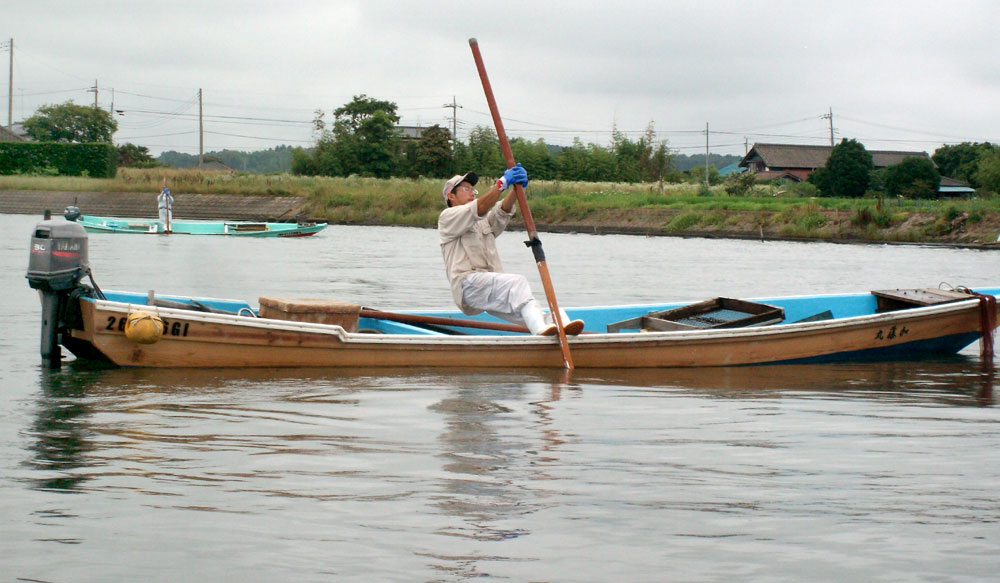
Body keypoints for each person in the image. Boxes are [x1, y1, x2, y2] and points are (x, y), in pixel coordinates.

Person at [438, 164, 584, 336]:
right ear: (450, 196)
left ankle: (558, 324)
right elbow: (481, 207)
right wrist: (502, 183)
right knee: (517, 283)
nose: (471, 192)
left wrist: (516, 188)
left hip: (487, 286)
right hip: (468, 285)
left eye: (473, 190)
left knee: (525, 309)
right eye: (466, 189)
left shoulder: (481, 221)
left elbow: (501, 212)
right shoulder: (447, 217)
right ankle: (540, 331)